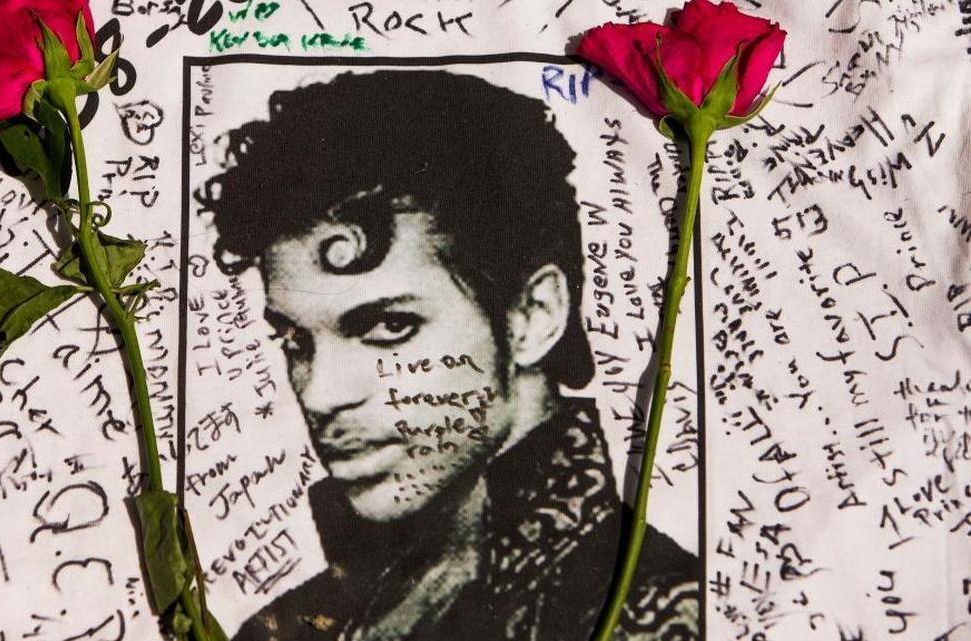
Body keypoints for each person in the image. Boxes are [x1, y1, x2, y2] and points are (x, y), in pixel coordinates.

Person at [208, 69, 699, 641]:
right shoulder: (293, 625)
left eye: (390, 325)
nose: (320, 393)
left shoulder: (656, 614)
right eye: (296, 341)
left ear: (532, 316)